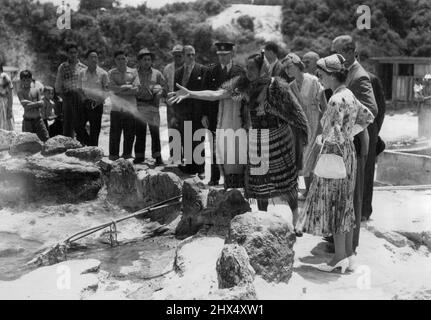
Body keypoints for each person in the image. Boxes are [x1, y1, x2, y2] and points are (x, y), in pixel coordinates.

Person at [169, 51, 309, 235]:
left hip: (279, 138)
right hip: (257, 138)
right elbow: (217, 93)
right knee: (259, 183)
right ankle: (262, 220)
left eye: (252, 68)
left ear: (262, 68)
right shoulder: (243, 84)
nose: (248, 71)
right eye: (247, 67)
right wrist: (191, 93)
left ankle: (296, 220)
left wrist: (303, 134)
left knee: (286, 182)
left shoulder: (277, 86)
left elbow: (295, 111)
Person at [296, 54, 374, 273]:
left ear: (331, 75)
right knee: (346, 204)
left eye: (321, 75)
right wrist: (349, 134)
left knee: (336, 206)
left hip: (334, 155)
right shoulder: (349, 94)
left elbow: (332, 133)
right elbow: (367, 117)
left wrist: (323, 139)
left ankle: (339, 257)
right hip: (348, 154)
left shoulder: (334, 99)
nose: (320, 78)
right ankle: (348, 256)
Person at [331, 35, 377, 253]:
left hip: (355, 145)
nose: (334, 56)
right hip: (346, 145)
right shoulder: (347, 73)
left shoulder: (359, 76)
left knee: (354, 197)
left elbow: (371, 110)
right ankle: (341, 243)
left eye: (337, 52)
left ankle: (352, 246)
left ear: (349, 51)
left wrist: (348, 132)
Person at [282, 53, 327, 199]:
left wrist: (324, 126)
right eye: (285, 68)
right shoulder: (291, 86)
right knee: (304, 158)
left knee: (314, 157)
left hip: (316, 122)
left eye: (290, 67)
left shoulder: (313, 81)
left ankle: (312, 191)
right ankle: (308, 191)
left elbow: (324, 106)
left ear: (297, 65)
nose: (287, 70)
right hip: (301, 126)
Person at [203, 42, 245, 187]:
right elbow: (205, 93)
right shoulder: (211, 71)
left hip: (232, 116)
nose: (222, 58)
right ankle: (214, 177)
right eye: (220, 55)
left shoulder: (239, 71)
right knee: (215, 146)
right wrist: (204, 115)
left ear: (231, 54)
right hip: (213, 115)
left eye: (225, 55)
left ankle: (232, 178)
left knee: (232, 146)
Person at [358, 49, 387, 221]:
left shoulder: (372, 79)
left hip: (368, 131)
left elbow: (380, 110)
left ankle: (364, 211)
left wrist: (375, 132)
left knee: (367, 173)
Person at [172, 45, 208, 176]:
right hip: (183, 112)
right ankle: (189, 168)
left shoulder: (203, 70)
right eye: (188, 55)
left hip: (198, 112)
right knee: (186, 140)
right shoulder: (178, 72)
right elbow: (175, 94)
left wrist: (205, 114)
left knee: (198, 140)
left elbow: (206, 93)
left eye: (193, 54)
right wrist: (176, 114)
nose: (191, 57)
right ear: (183, 55)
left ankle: (200, 169)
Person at [134, 48, 168, 165]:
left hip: (153, 105)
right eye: (144, 59)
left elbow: (165, 88)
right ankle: (139, 156)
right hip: (138, 105)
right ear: (139, 61)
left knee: (155, 132)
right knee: (139, 132)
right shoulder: (134, 73)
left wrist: (159, 92)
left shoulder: (157, 73)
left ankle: (158, 157)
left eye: (149, 59)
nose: (147, 62)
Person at [108, 50, 140, 161]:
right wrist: (126, 87)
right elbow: (111, 88)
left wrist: (119, 89)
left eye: (123, 58)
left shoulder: (134, 72)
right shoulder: (111, 73)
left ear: (127, 59)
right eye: (118, 59)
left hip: (130, 107)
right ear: (115, 60)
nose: (121, 61)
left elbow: (136, 89)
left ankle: (127, 155)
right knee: (114, 134)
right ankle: (113, 156)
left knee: (129, 133)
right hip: (116, 108)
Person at [55, 42, 87, 139]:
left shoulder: (84, 68)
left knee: (80, 122)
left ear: (77, 53)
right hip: (68, 97)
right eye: (70, 53)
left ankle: (80, 145)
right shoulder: (63, 66)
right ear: (67, 54)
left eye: (74, 52)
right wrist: (61, 96)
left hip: (80, 98)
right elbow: (58, 83)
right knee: (67, 122)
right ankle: (67, 145)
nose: (73, 55)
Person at [77, 49, 109, 146]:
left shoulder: (103, 73)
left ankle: (93, 150)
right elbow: (79, 89)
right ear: (86, 59)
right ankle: (87, 144)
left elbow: (106, 91)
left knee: (95, 130)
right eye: (91, 57)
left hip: (97, 105)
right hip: (84, 103)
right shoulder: (81, 73)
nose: (94, 59)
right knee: (78, 127)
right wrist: (84, 99)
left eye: (96, 57)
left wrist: (98, 102)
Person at [164, 45, 184, 161]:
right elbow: (165, 85)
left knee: (186, 129)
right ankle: (175, 156)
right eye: (175, 55)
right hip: (171, 103)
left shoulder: (189, 68)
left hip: (185, 103)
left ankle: (187, 157)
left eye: (180, 55)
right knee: (172, 129)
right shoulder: (167, 68)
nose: (177, 57)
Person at [17, 70, 49, 142]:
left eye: (28, 80)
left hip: (38, 120)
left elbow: (42, 103)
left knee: (45, 139)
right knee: (28, 143)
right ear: (21, 81)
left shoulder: (36, 90)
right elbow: (25, 106)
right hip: (27, 122)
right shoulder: (20, 92)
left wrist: (29, 103)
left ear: (31, 79)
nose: (26, 82)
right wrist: (36, 103)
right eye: (24, 80)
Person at [415, 74, 431, 138]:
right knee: (421, 121)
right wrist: (418, 109)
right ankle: (421, 135)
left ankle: (428, 136)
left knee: (428, 121)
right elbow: (419, 98)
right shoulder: (422, 88)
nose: (428, 81)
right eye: (427, 80)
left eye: (429, 80)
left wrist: (424, 98)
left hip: (429, 107)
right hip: (423, 107)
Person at [0, 64, 14, 131]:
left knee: (5, 128)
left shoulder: (4, 77)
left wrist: (10, 109)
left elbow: (10, 95)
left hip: (3, 105)